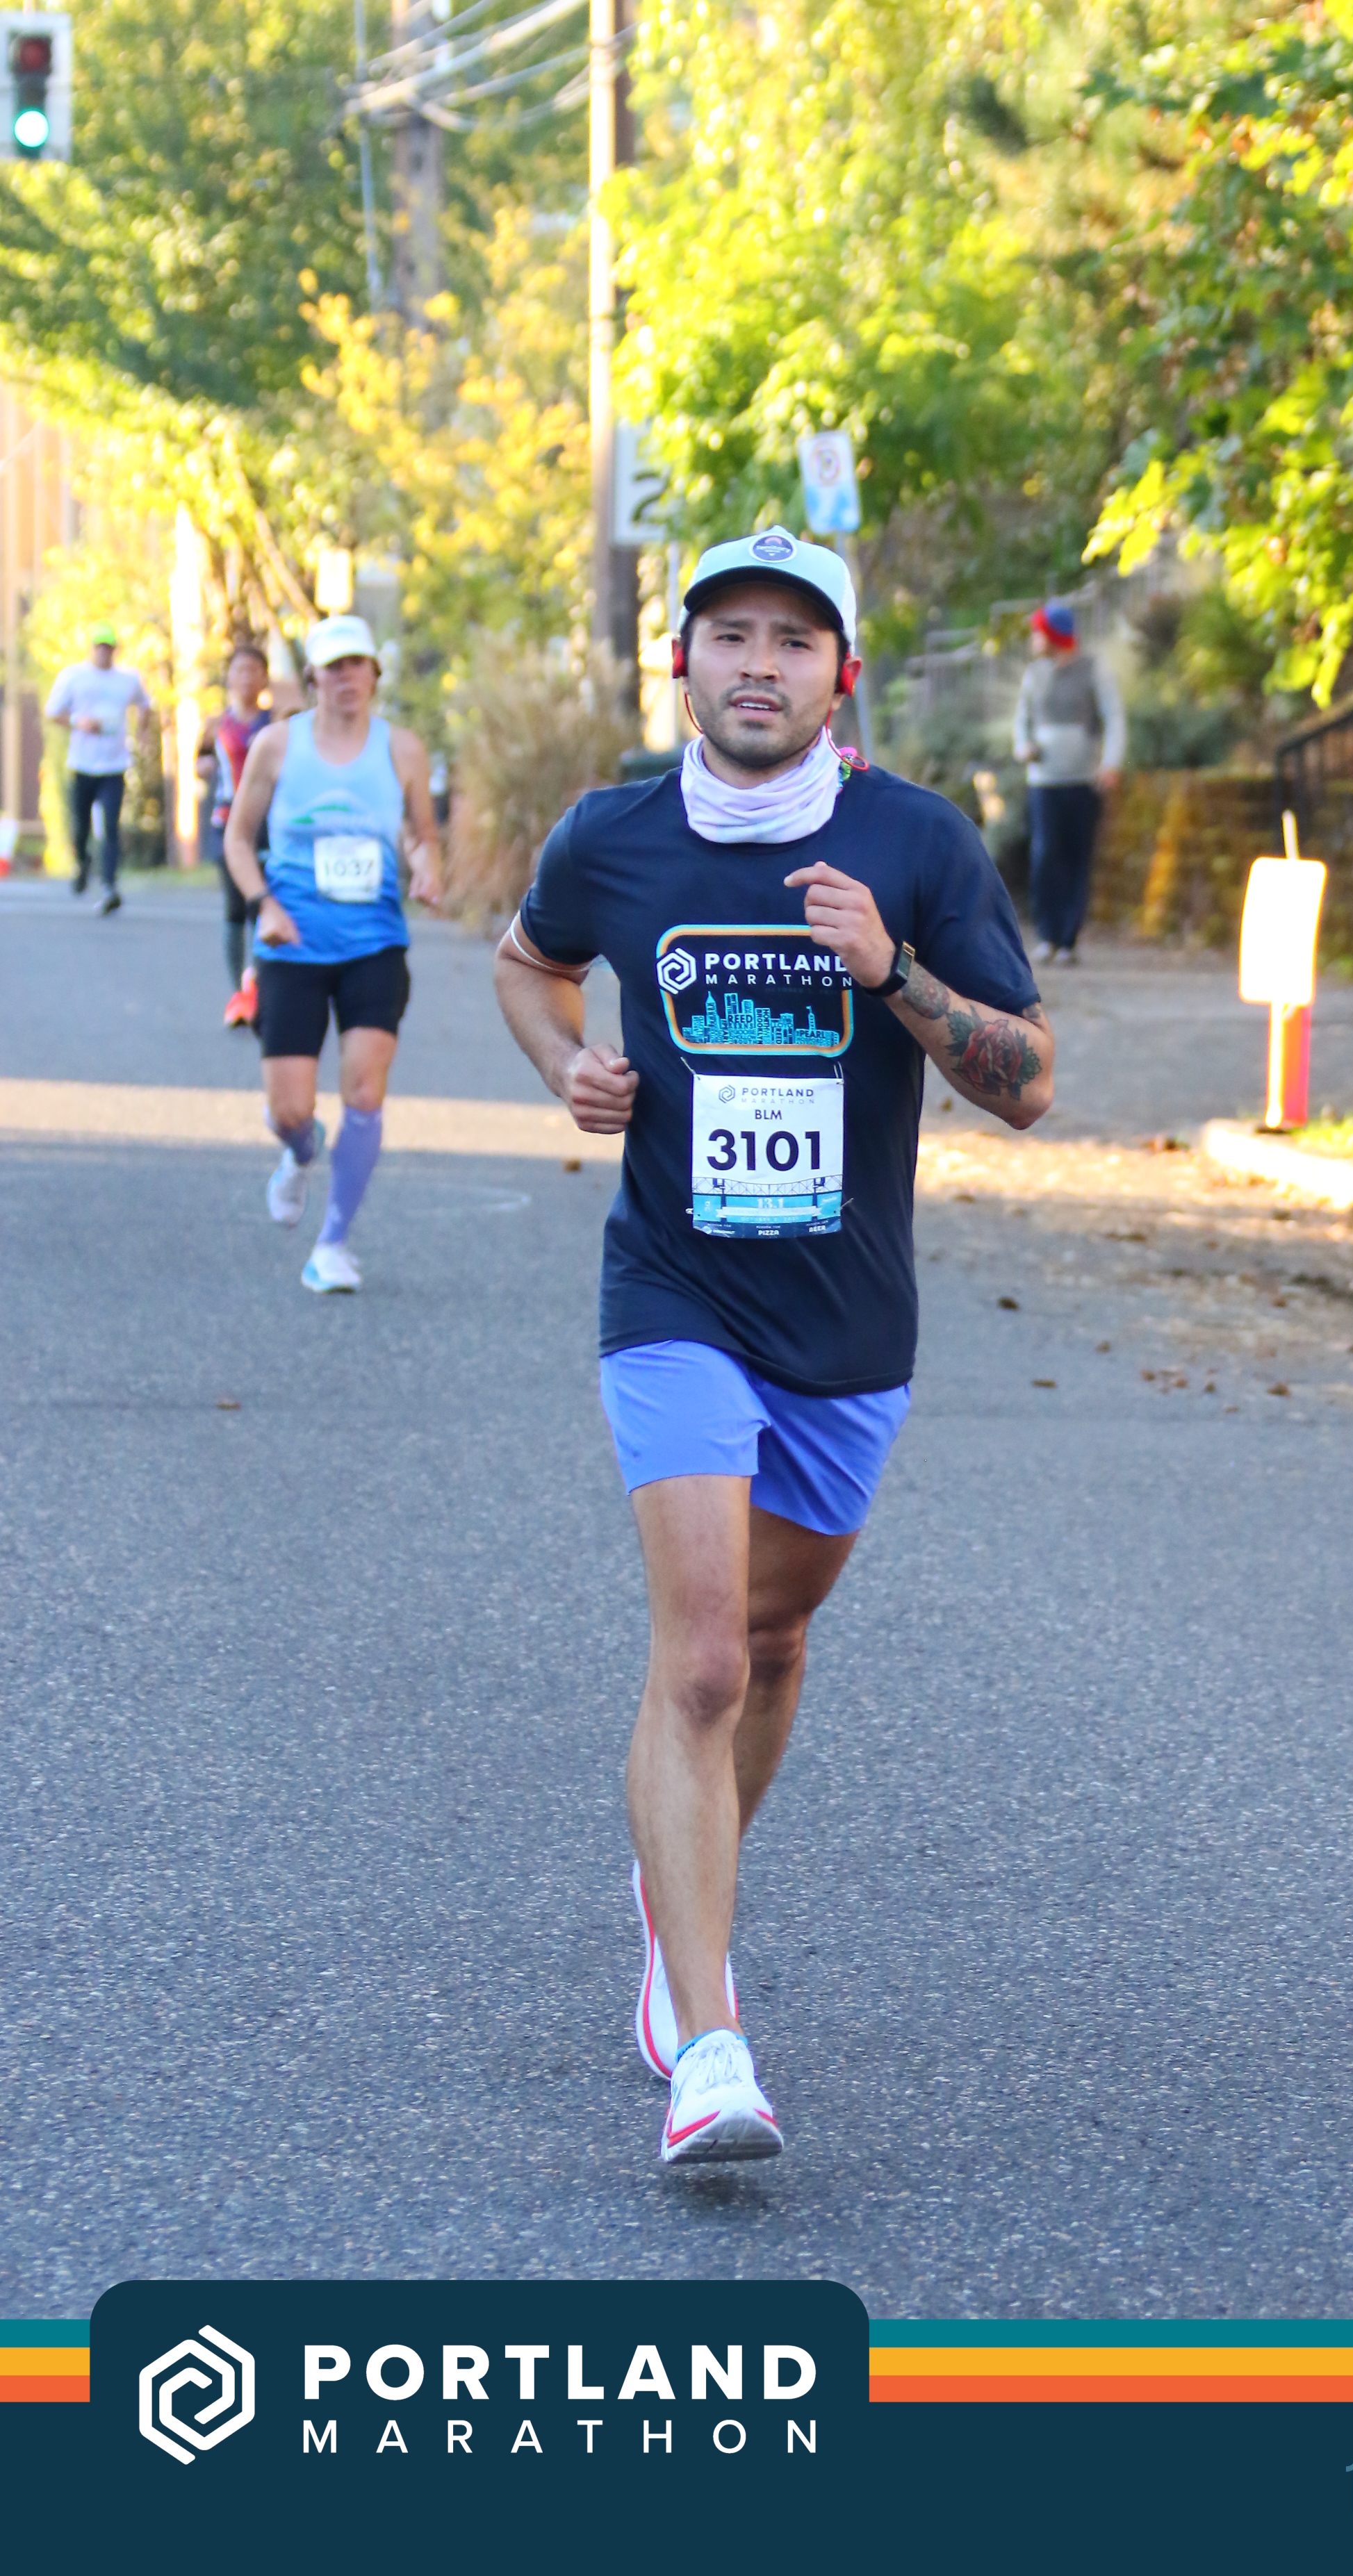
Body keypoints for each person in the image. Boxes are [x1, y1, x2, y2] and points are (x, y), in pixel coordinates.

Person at [493, 527, 1054, 2165]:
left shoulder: (914, 842)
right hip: (674, 1292)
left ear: (840, 676)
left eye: (792, 640)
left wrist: (893, 974)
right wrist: (566, 1067)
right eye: (728, 633)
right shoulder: (612, 835)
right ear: (681, 663)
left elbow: (1027, 1084)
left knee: (778, 1635)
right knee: (704, 1658)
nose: (757, 662)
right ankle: (708, 2035)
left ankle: (676, 1883)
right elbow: (529, 965)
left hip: (848, 1320)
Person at [222, 613, 441, 1294]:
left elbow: (421, 835)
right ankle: (297, 1153)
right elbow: (238, 840)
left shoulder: (402, 749)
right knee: (290, 1111)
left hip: (374, 944)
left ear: (374, 673)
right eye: (334, 666)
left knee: (365, 1092)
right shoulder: (276, 746)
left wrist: (426, 867)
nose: (347, 677)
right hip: (292, 944)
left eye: (358, 664)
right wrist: (264, 905)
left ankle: (333, 1244)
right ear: (313, 678)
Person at [1011, 599, 1125, 966]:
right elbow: (1022, 719)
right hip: (1044, 781)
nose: (1034, 640)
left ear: (1054, 636)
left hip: (1082, 780)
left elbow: (1113, 717)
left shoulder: (1093, 671)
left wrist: (1110, 763)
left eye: (1038, 633)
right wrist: (1023, 747)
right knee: (1045, 855)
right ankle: (1047, 934)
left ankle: (1068, 939)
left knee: (1078, 857)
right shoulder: (1034, 675)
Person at [44, 622, 152, 914]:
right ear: (92, 648)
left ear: (115, 650)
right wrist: (78, 722)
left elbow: (146, 704)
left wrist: (143, 733)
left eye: (109, 647)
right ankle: (82, 863)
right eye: (99, 647)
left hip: (114, 766)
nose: (104, 652)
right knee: (80, 827)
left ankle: (109, 886)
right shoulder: (74, 677)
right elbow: (53, 712)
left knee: (111, 827)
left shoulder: (128, 679)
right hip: (82, 764)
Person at [197, 639, 274, 1028]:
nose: (246, 678)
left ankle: (257, 987)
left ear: (265, 679)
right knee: (234, 907)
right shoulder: (215, 725)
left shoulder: (277, 724)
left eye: (254, 671)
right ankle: (238, 993)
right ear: (229, 677)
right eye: (240, 670)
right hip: (227, 822)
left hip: (268, 825)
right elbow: (200, 761)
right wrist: (204, 767)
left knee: (263, 904)